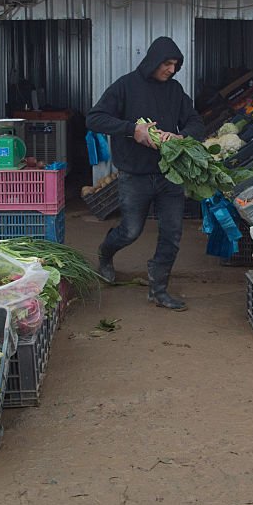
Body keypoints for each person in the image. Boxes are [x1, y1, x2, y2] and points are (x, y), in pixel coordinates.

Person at [87, 36, 206, 311]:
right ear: (153, 61)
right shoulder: (126, 86)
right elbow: (94, 117)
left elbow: (195, 121)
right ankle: (106, 253)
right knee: (130, 231)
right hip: (135, 175)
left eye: (176, 65)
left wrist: (181, 136)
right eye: (167, 63)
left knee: (172, 233)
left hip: (170, 175)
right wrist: (133, 130)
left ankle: (158, 289)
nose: (172, 70)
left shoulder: (175, 91)